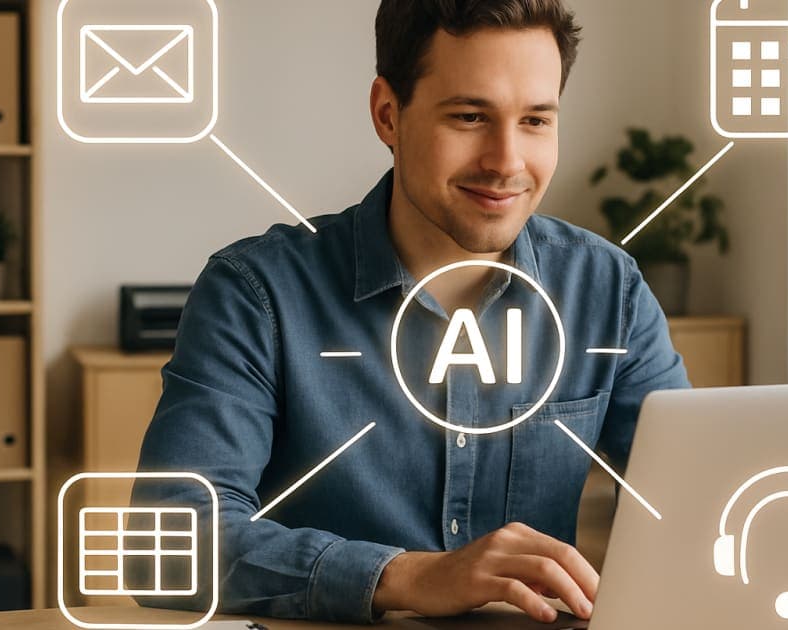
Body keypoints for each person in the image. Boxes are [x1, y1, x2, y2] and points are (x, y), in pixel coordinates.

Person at [133, 0, 689, 624]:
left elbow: (692, 504)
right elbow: (166, 545)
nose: (507, 162)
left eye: (535, 120)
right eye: (471, 116)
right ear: (388, 114)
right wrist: (405, 576)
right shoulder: (256, 293)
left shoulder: (609, 289)